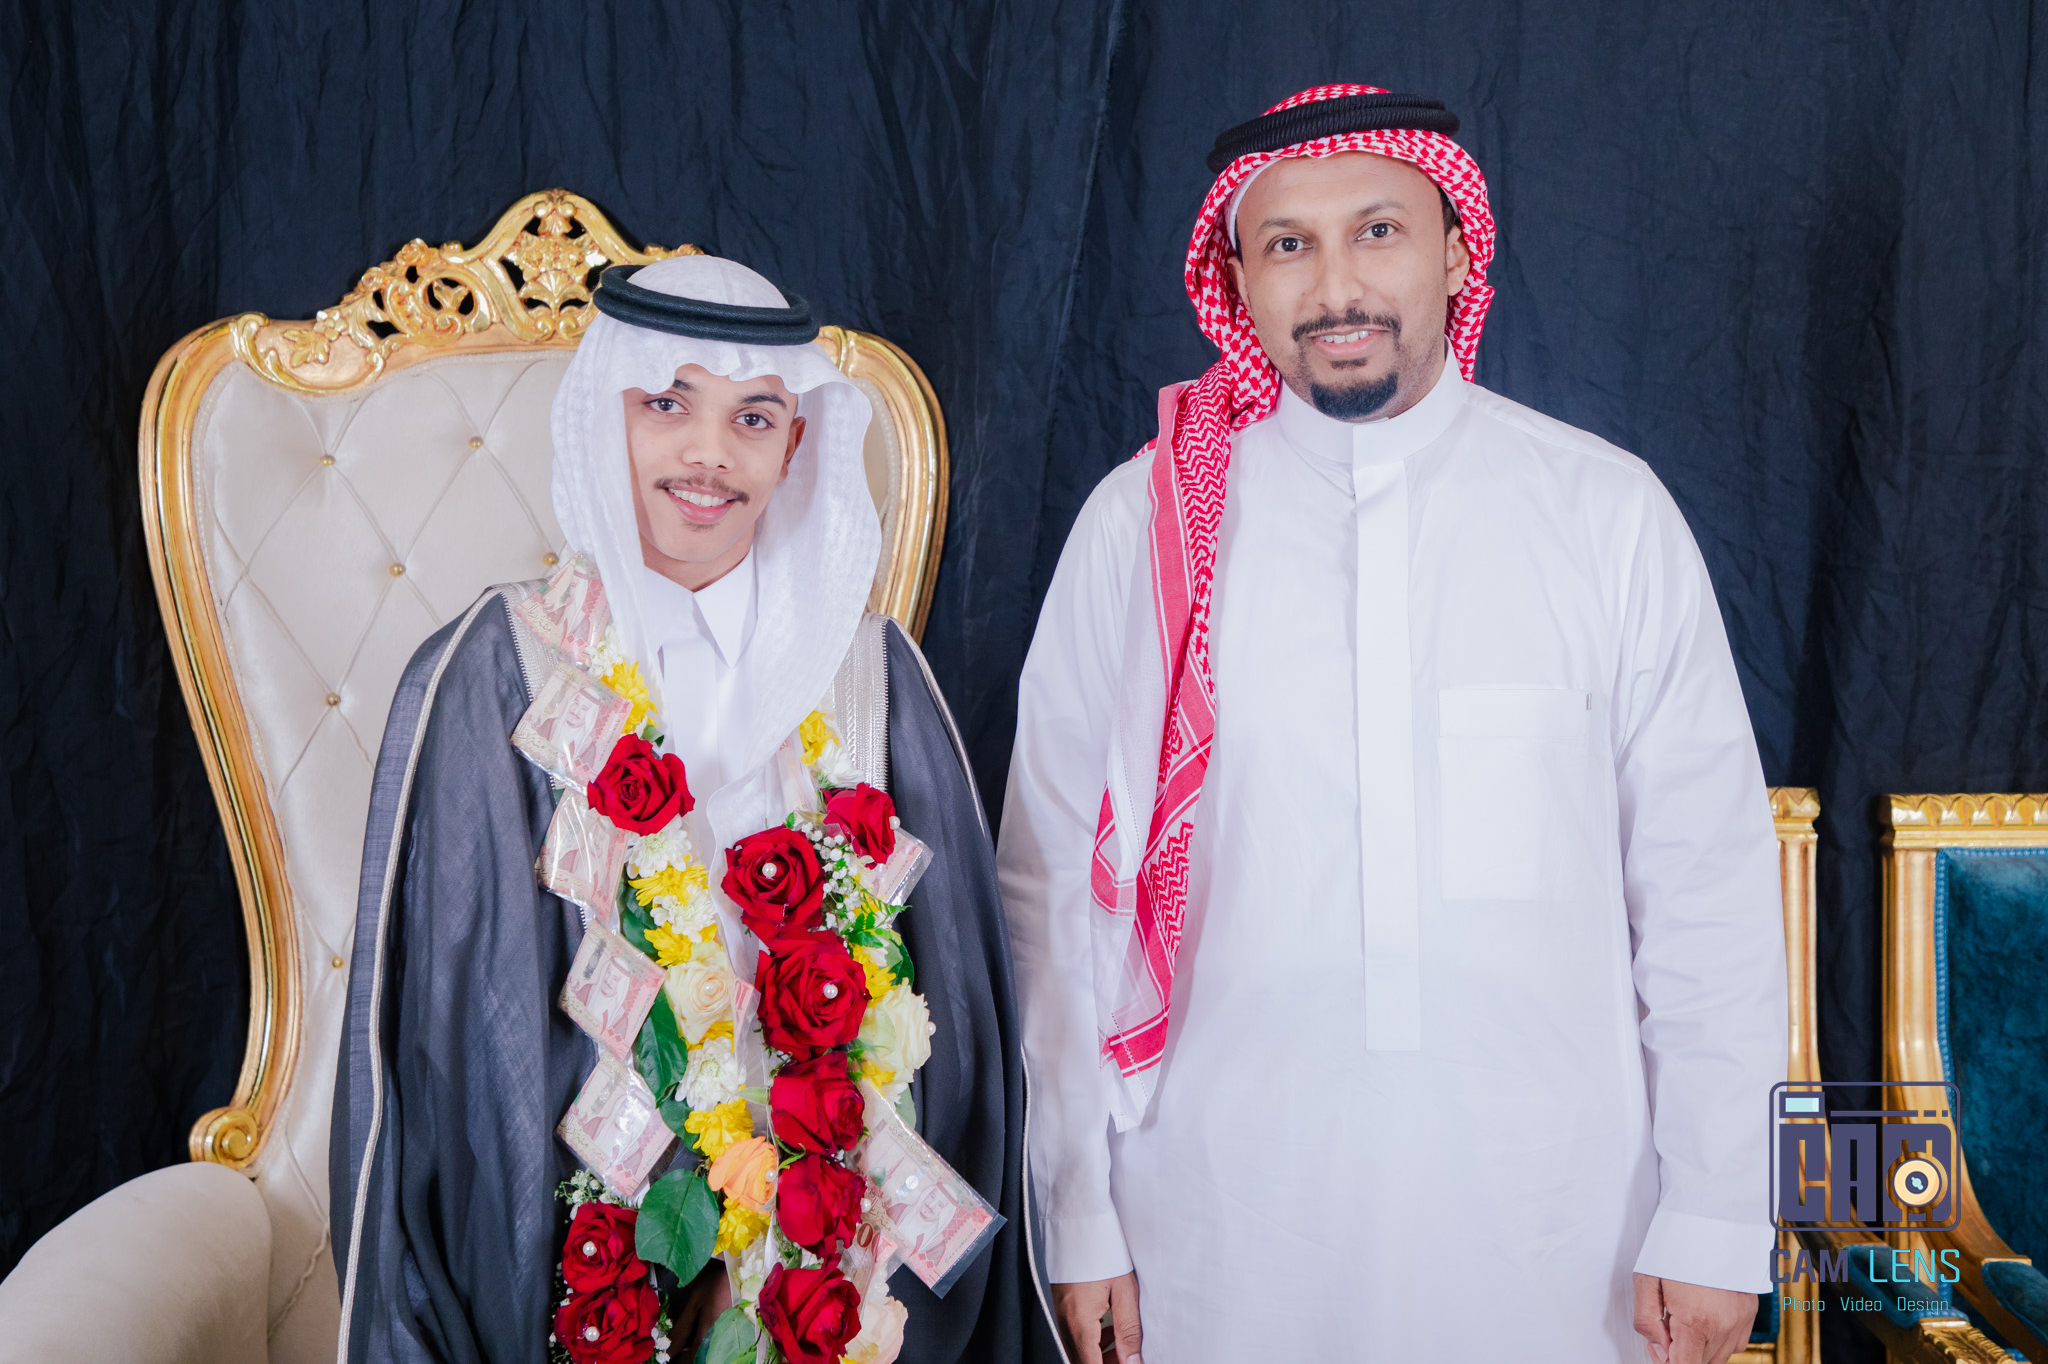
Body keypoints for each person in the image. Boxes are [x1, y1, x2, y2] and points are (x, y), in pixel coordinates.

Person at [999, 84, 1787, 1364]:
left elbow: (1706, 896)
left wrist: (1714, 1215)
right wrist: (1077, 1209)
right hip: (1214, 1229)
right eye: (1287, 245)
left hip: (1556, 1232)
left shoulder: (1603, 515)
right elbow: (1046, 897)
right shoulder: (1139, 530)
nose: (1336, 287)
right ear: (1237, 284)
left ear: (1455, 253)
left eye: (1377, 231)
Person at [331, 254, 1056, 1364]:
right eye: (666, 405)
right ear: (603, 418)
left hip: (840, 1258)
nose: (709, 453)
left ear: (794, 445)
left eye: (751, 417)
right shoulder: (501, 668)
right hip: (589, 1260)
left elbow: (960, 1020)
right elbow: (465, 1046)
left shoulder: (866, 679)